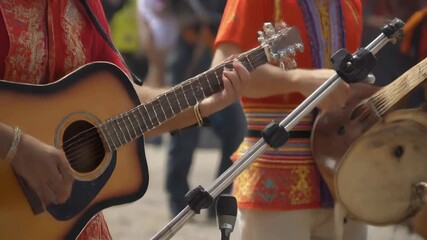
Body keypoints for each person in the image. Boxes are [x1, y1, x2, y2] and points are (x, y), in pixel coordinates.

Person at [0, 0, 250, 239]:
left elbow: (124, 101)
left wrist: (202, 104)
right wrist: (17, 147)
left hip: (67, 225)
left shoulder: (83, 5)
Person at [212, 0, 367, 239]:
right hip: (276, 178)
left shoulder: (351, 3)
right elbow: (223, 71)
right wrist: (297, 79)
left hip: (345, 178)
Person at [162, 0, 247, 219]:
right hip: (188, 54)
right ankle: (178, 202)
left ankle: (219, 199)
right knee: (183, 131)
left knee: (235, 130)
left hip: (221, 51)